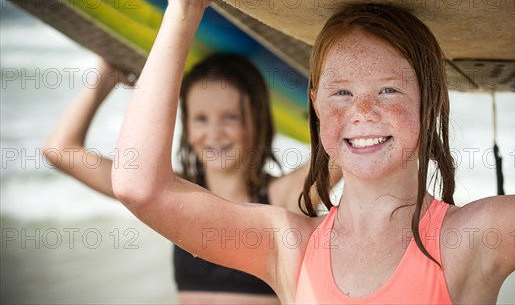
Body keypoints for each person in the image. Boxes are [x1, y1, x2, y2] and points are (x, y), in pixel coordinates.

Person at [110, 0, 515, 304]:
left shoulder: (467, 242)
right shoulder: (289, 246)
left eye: (388, 90)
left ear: (430, 103)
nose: (362, 110)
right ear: (317, 107)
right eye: (341, 93)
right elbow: (139, 185)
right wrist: (184, 8)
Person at [43, 52, 334, 304]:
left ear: (257, 120)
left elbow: (340, 151)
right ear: (186, 127)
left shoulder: (281, 197)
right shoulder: (170, 194)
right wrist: (106, 75)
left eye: (230, 117)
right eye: (201, 118)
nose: (214, 132)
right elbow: (60, 150)